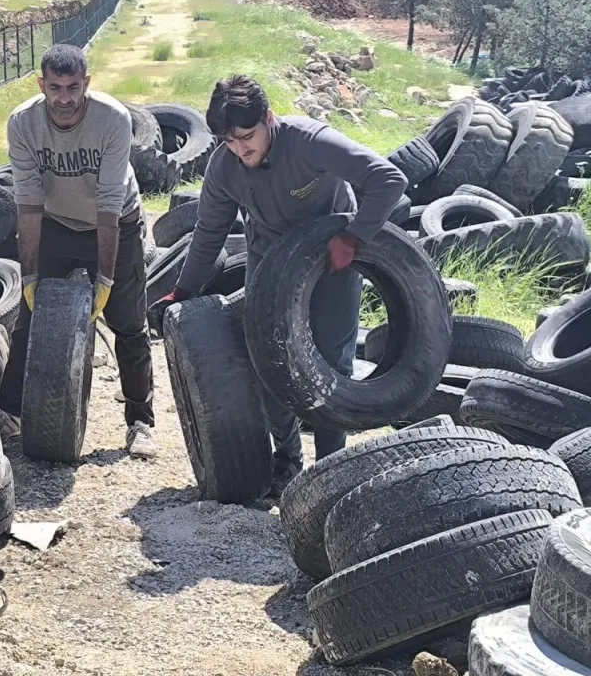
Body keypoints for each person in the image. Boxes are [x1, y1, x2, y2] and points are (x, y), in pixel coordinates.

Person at [153, 74, 407, 496]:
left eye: (246, 137)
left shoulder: (311, 142)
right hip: (269, 264)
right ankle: (287, 457)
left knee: (331, 365)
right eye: (229, 141)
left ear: (269, 118)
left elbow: (388, 179)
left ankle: (332, 467)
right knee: (269, 362)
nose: (240, 149)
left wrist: (353, 236)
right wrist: (183, 290)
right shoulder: (224, 167)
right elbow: (209, 233)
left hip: (333, 262)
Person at [0, 44, 157, 459]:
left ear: (86, 83)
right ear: (41, 85)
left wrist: (105, 279)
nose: (64, 98)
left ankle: (140, 422)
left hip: (116, 221)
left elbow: (109, 203)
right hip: (57, 222)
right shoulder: (23, 123)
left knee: (129, 324)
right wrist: (29, 276)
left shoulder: (112, 119)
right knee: (29, 318)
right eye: (55, 88)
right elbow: (28, 204)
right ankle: (10, 412)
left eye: (73, 88)